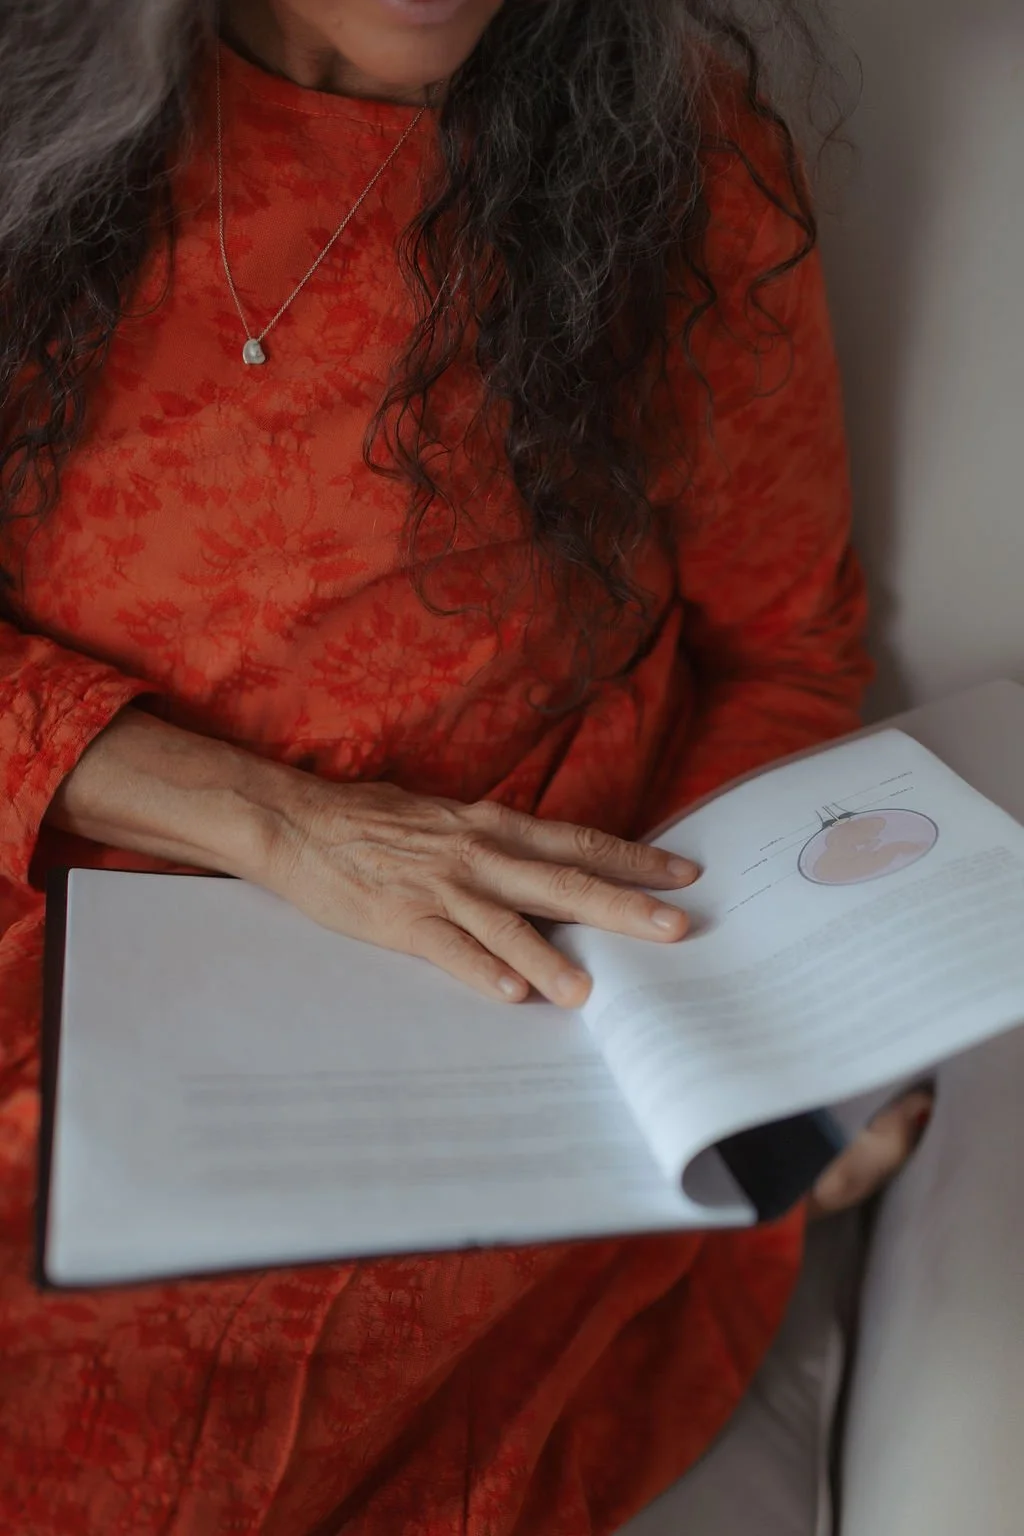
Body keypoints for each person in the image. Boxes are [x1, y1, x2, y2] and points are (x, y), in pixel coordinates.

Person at [0, 2, 929, 1531]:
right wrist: (281, 824)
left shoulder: (675, 164)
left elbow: (784, 651)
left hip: (458, 987)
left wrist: (704, 1021)